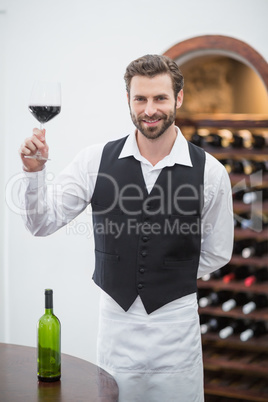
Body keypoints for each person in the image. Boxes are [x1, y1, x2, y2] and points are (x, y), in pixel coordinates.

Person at [19, 54, 234, 401]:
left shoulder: (211, 172)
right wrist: (33, 173)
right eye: (141, 99)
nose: (150, 109)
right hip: (116, 337)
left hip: (176, 339)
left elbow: (218, 251)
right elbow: (41, 223)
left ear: (178, 98)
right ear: (129, 101)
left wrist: (169, 270)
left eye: (160, 98)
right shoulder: (94, 161)